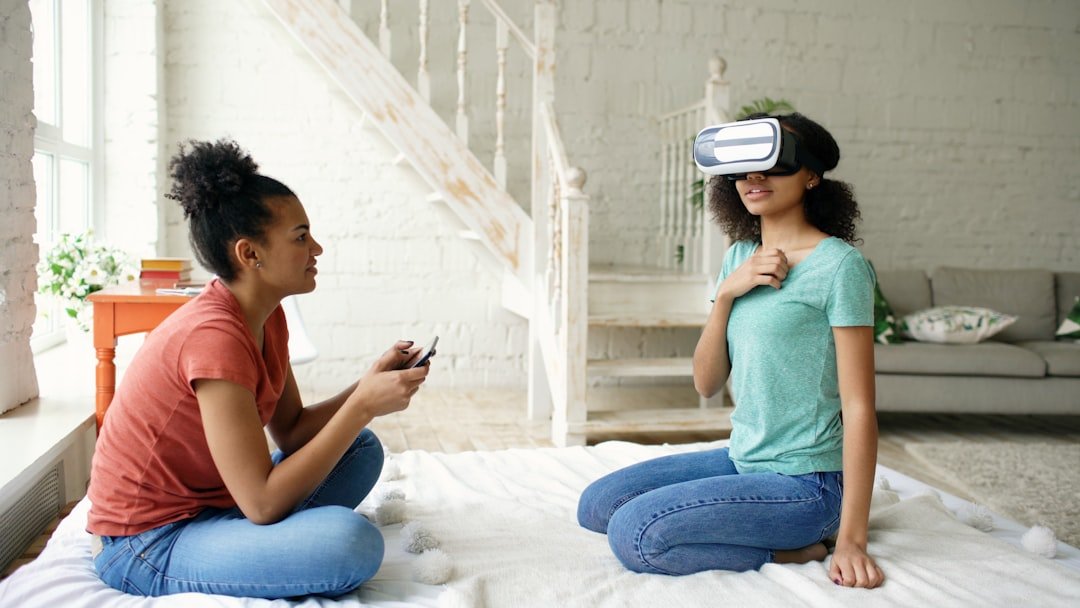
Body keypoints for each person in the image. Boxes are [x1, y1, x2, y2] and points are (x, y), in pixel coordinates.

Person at [85, 139, 432, 599]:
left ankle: (255, 546)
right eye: (301, 237)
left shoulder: (267, 315)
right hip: (147, 543)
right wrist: (362, 406)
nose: (317, 248)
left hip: (221, 505)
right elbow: (263, 504)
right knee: (351, 543)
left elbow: (291, 430)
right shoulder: (214, 338)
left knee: (360, 448)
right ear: (250, 254)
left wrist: (365, 386)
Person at [577, 113, 885, 589]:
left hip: (807, 484)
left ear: (811, 175)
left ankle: (793, 548)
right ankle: (781, 542)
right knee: (596, 506)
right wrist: (726, 295)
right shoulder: (740, 257)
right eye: (742, 167)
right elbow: (706, 384)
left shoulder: (840, 268)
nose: (753, 177)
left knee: (634, 534)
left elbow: (860, 406)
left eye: (773, 162)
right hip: (744, 458)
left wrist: (852, 540)